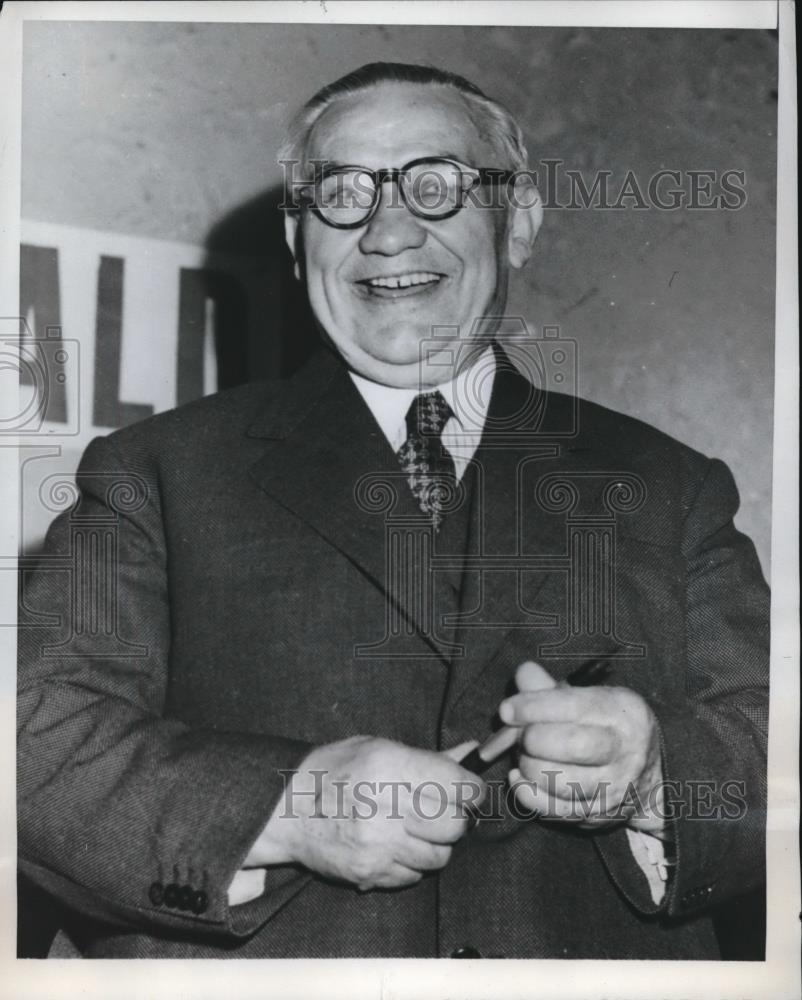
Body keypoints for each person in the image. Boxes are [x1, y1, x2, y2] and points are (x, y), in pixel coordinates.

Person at [17, 62, 769, 959]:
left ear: (519, 222)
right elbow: (31, 738)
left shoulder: (672, 486)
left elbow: (776, 756)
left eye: (437, 186)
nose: (389, 232)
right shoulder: (155, 473)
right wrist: (294, 806)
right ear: (299, 240)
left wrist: (654, 778)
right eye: (341, 194)